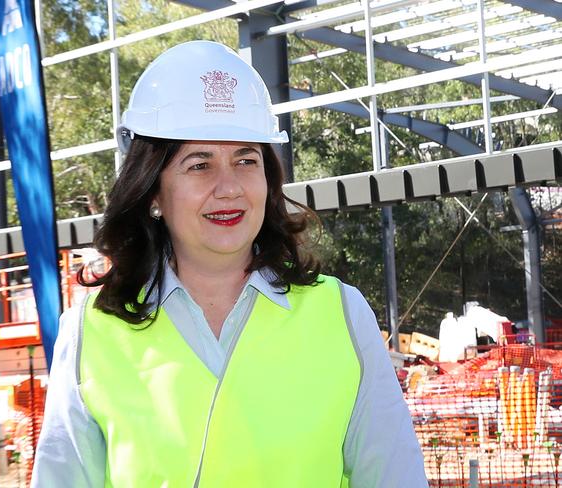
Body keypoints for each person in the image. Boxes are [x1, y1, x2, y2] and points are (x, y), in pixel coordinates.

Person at [31, 40, 428, 487]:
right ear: (154, 193)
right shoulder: (92, 334)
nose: (229, 187)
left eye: (246, 160)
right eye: (199, 164)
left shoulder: (342, 315)